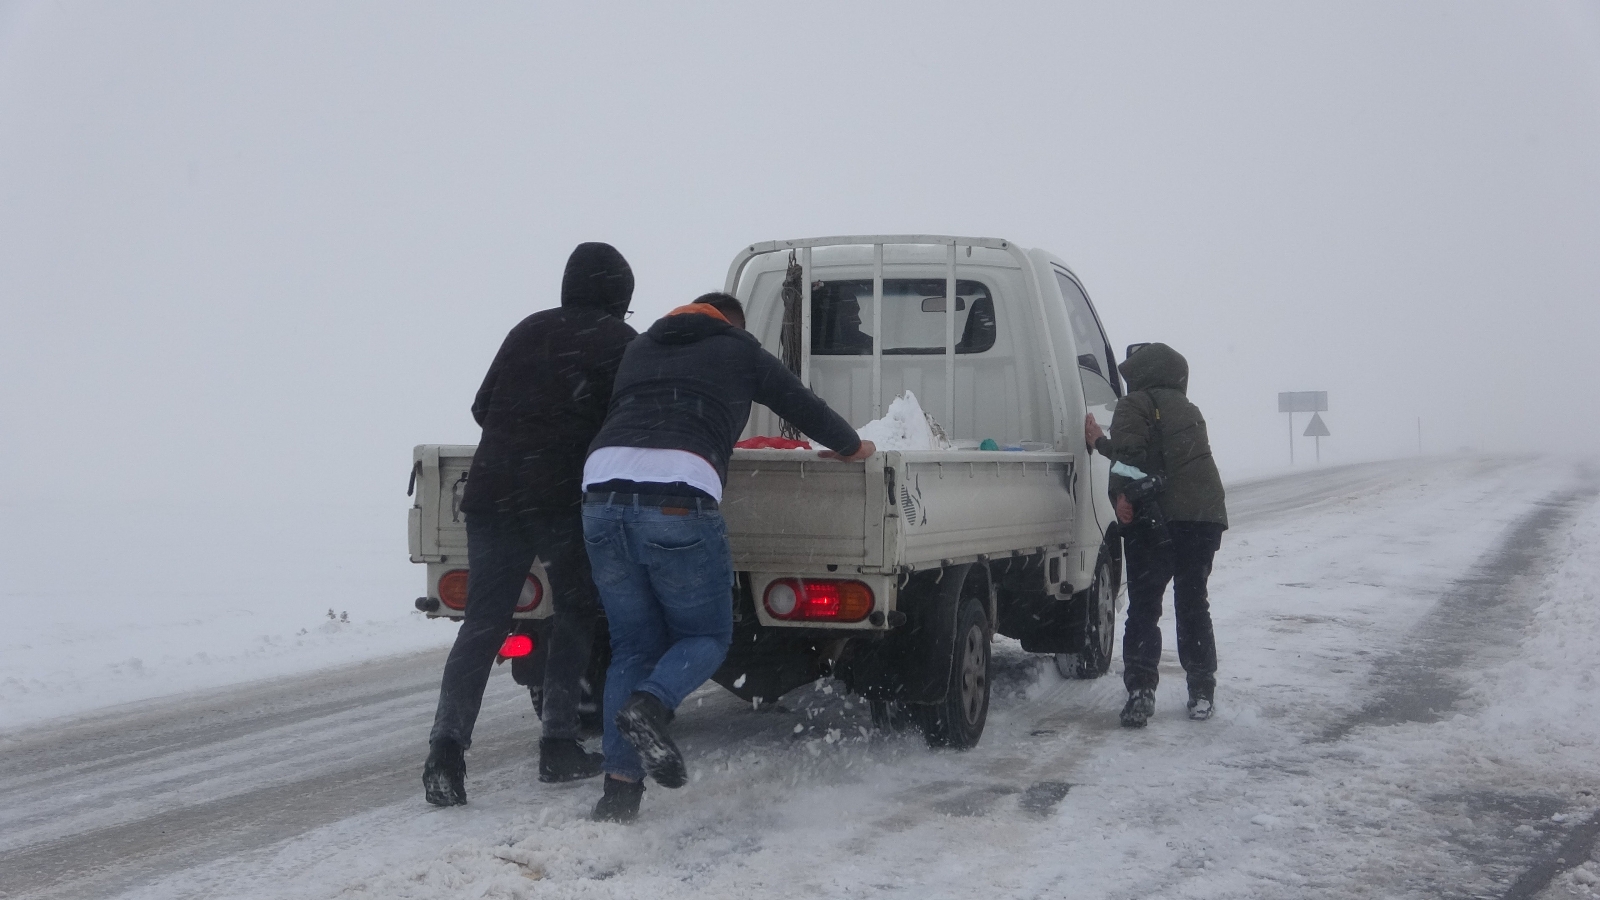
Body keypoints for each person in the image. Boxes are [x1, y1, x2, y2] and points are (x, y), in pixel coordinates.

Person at [580, 292, 873, 823]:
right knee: (706, 635)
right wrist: (853, 447)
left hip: (599, 496)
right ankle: (650, 705)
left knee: (631, 646)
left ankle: (619, 793)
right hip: (678, 497)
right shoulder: (739, 350)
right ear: (732, 325)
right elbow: (804, 407)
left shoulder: (640, 348)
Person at [423, 242, 638, 806]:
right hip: (560, 499)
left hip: (493, 492)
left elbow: (481, 407)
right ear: (620, 295)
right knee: (574, 613)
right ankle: (558, 746)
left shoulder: (527, 329)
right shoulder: (620, 342)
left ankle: (444, 757)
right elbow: (632, 420)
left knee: (483, 625)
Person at [1084, 342, 1227, 727]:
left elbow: (1131, 460)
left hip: (1157, 521)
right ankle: (1201, 691)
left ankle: (1142, 691)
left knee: (1145, 607)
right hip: (1204, 518)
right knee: (1193, 603)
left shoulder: (1136, 404)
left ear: (1141, 375)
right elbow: (1168, 459)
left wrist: (1120, 494)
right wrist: (1103, 445)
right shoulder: (1188, 409)